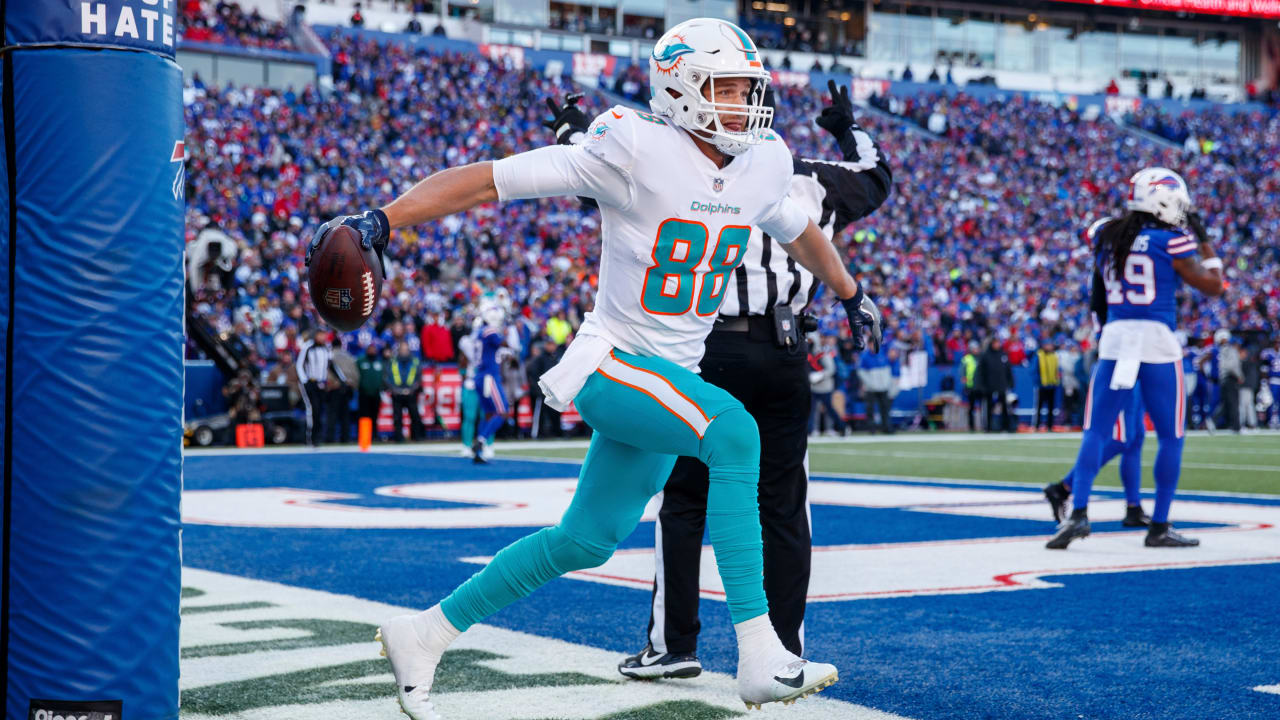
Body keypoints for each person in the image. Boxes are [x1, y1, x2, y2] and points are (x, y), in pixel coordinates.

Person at [310, 18, 881, 717]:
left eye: (746, 88)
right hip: (612, 365)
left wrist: (853, 295)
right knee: (734, 433)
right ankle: (761, 652)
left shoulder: (763, 160)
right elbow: (491, 180)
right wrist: (384, 220)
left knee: (585, 539)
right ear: (680, 89)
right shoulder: (634, 144)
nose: (743, 103)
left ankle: (423, 633)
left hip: (670, 374)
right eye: (724, 88)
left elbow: (800, 231)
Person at [543, 79, 890, 675]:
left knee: (682, 500)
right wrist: (846, 126)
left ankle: (672, 644)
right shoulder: (818, 178)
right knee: (782, 506)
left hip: (703, 347)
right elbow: (877, 174)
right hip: (781, 346)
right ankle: (781, 651)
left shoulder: (688, 166)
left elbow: (605, 182)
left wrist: (569, 128)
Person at [1047, 167, 1224, 550]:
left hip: (1115, 340)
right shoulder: (1171, 241)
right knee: (1171, 437)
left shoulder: (1104, 235)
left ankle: (1077, 514)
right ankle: (1159, 526)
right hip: (1157, 342)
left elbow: (1104, 241)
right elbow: (1214, 286)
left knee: (1096, 430)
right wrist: (1205, 239)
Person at [471, 299, 513, 462]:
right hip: (489, 376)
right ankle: (481, 441)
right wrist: (506, 333)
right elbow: (503, 342)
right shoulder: (489, 331)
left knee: (489, 414)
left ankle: (478, 453)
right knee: (502, 412)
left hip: (479, 375)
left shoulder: (478, 332)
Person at [296, 329, 332, 447]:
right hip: (310, 382)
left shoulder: (327, 348)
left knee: (320, 410)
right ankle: (309, 437)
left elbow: (331, 365)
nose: (322, 338)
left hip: (322, 383)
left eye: (324, 335)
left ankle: (318, 436)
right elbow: (299, 364)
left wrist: (341, 380)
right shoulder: (308, 347)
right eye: (320, 335)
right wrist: (305, 381)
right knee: (312, 409)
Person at [386, 341, 424, 441]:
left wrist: (413, 389)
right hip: (397, 393)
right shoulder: (392, 361)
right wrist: (394, 389)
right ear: (399, 351)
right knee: (397, 417)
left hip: (411, 393)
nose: (404, 352)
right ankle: (399, 437)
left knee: (415, 416)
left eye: (406, 349)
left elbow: (419, 377)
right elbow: (387, 377)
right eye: (402, 349)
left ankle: (416, 437)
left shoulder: (415, 361)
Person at [858, 343, 895, 434]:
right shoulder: (865, 356)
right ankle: (871, 428)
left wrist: (886, 383)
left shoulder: (882, 353)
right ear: (869, 345)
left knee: (885, 408)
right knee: (870, 409)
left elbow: (887, 370)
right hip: (871, 388)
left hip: (883, 387)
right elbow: (861, 372)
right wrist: (870, 383)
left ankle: (886, 427)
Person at [328, 334, 357, 443]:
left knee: (332, 414)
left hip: (335, 388)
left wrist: (331, 384)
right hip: (348, 387)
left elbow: (327, 371)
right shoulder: (349, 356)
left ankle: (330, 438)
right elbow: (355, 373)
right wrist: (353, 384)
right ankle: (346, 437)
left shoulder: (330, 355)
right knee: (345, 415)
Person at [979, 337, 1012, 432]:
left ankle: (1006, 427)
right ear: (992, 344)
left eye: (998, 343)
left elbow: (1008, 370)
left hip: (1001, 385)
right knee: (989, 407)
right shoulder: (986, 356)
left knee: (1004, 407)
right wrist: (983, 386)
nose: (997, 345)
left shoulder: (1003, 355)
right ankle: (988, 427)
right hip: (989, 386)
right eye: (995, 343)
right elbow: (981, 372)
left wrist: (1010, 383)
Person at [356, 341, 386, 439]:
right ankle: (364, 436)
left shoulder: (380, 362)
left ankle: (374, 435)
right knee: (364, 416)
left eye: (374, 349)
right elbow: (356, 375)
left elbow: (384, 376)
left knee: (374, 415)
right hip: (364, 393)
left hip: (376, 393)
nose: (372, 351)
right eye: (370, 349)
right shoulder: (361, 361)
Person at [1033, 340, 1060, 431]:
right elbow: (1034, 370)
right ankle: (1036, 425)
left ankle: (1050, 425)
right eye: (1047, 345)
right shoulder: (1039, 355)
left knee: (1051, 407)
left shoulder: (1054, 356)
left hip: (1052, 385)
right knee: (1039, 406)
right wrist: (1038, 382)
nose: (1049, 347)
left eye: (1050, 345)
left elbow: (1057, 369)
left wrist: (1056, 381)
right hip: (1042, 385)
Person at [960, 340, 980, 431]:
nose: (976, 350)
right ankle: (971, 425)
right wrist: (964, 380)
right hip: (970, 386)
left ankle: (982, 425)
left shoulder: (980, 358)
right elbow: (962, 372)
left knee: (981, 406)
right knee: (971, 407)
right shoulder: (966, 358)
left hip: (980, 386)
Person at [1262, 337, 1280, 428]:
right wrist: (1264, 381)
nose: (1278, 344)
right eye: (1276, 342)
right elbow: (1264, 368)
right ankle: (1271, 420)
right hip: (1273, 380)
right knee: (1271, 401)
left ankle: (1277, 420)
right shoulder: (1268, 353)